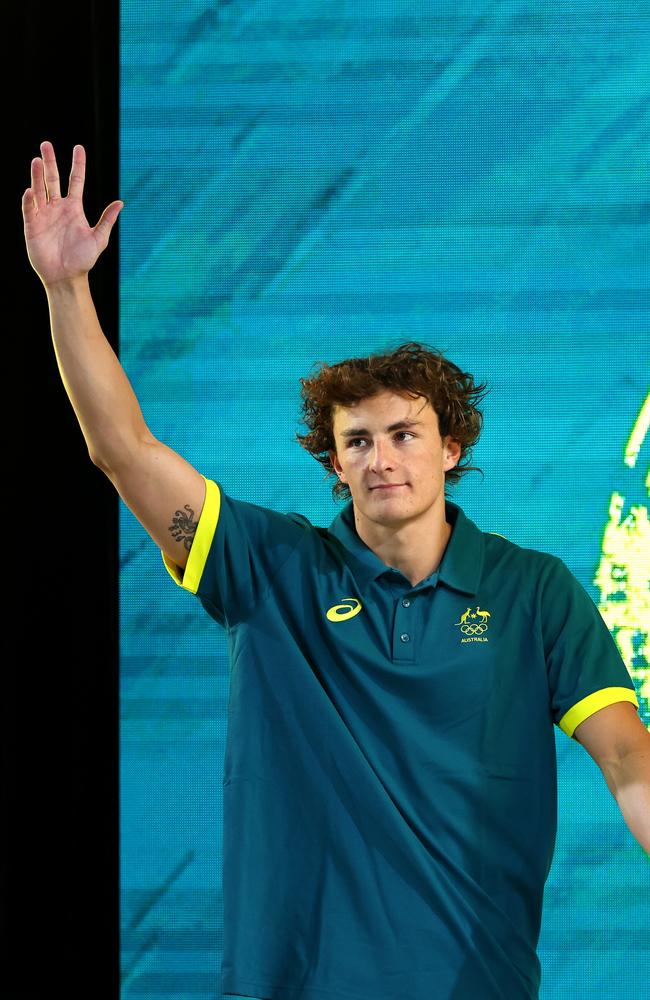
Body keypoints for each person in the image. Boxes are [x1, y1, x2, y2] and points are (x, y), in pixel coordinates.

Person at [23, 141, 649, 1000]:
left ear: (450, 448)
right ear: (335, 465)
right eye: (358, 441)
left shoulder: (535, 592)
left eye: (405, 434)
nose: (382, 458)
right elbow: (121, 449)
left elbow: (629, 763)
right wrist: (66, 290)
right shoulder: (269, 566)